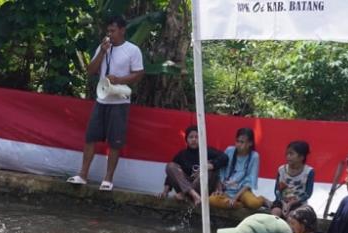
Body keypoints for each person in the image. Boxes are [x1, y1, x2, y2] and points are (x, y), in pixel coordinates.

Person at [66, 15, 144, 192]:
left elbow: (139, 74)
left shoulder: (132, 50)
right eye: (108, 31)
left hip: (119, 100)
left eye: (113, 31)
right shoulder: (103, 48)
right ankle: (82, 175)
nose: (110, 34)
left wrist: (120, 79)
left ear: (122, 30)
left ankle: (108, 179)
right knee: (91, 137)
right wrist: (102, 51)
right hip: (102, 99)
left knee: (115, 141)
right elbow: (91, 71)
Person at [160, 125, 228, 205]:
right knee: (170, 166)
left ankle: (186, 195)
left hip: (201, 187)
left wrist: (211, 165)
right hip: (187, 185)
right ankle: (192, 194)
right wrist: (165, 192)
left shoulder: (207, 151)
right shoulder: (181, 155)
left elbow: (225, 157)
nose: (194, 140)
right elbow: (171, 176)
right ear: (186, 139)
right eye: (191, 137)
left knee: (208, 170)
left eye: (196, 137)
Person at [210, 128, 265, 210]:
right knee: (211, 200)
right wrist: (220, 190)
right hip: (227, 191)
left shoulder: (254, 156)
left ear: (250, 143)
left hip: (243, 192)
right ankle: (238, 205)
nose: (238, 144)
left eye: (242, 142)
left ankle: (263, 199)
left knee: (253, 203)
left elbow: (249, 182)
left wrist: (235, 198)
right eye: (237, 141)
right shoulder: (229, 150)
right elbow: (220, 172)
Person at [270, 141, 314, 218]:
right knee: (275, 212)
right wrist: (283, 203)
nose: (288, 156)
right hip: (282, 201)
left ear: (301, 157)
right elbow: (277, 190)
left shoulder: (309, 172)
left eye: (291, 154)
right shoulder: (281, 170)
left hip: (299, 203)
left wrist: (291, 204)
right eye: (287, 154)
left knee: (293, 216)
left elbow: (308, 193)